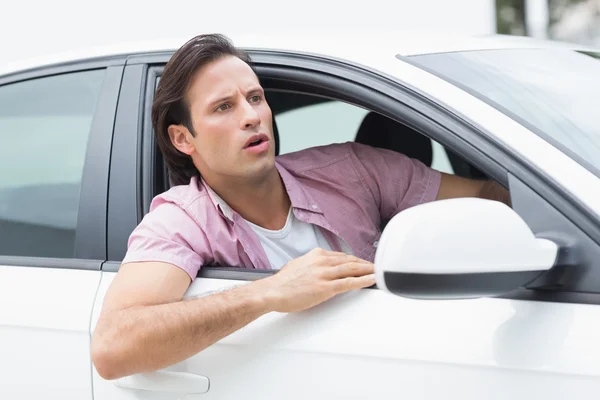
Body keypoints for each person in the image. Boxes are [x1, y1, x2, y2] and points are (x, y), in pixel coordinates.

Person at [90, 33, 510, 380]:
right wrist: (269, 293)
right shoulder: (182, 218)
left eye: (255, 98)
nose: (252, 116)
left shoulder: (351, 167)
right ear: (184, 139)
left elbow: (491, 196)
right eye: (224, 107)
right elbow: (112, 347)